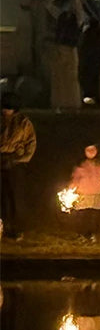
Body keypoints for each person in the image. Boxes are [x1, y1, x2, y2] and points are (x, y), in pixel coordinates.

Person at [0, 95, 36, 241]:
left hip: (15, 163)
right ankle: (3, 227)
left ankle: (16, 228)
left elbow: (31, 144)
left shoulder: (23, 123)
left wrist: (19, 159)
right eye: (4, 109)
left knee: (15, 197)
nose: (6, 112)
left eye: (9, 109)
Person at [45, 0, 84, 111]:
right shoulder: (63, 16)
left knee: (68, 77)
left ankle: (69, 104)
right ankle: (63, 103)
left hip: (69, 48)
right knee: (61, 77)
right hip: (62, 48)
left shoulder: (75, 18)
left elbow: (78, 9)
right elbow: (48, 6)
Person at [69, 144, 100, 242]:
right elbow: (74, 179)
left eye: (93, 149)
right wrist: (71, 191)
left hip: (96, 194)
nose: (91, 152)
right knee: (82, 216)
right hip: (83, 193)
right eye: (88, 150)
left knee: (94, 217)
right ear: (84, 151)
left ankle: (93, 235)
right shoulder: (79, 165)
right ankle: (82, 235)